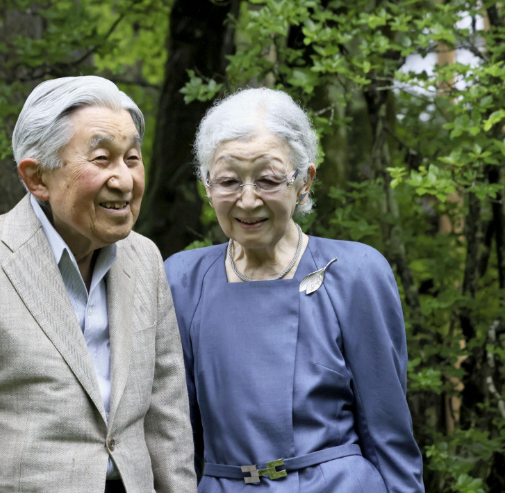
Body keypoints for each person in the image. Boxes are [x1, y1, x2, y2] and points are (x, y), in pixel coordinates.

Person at [0, 76, 197, 493]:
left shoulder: (144, 257)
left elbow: (168, 423)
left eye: (131, 157)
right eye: (101, 158)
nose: (125, 180)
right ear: (37, 178)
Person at [165, 88, 425, 492]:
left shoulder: (355, 273)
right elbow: (175, 438)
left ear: (304, 182)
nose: (247, 201)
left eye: (268, 180)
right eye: (229, 181)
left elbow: (388, 433)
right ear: (207, 183)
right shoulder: (181, 279)